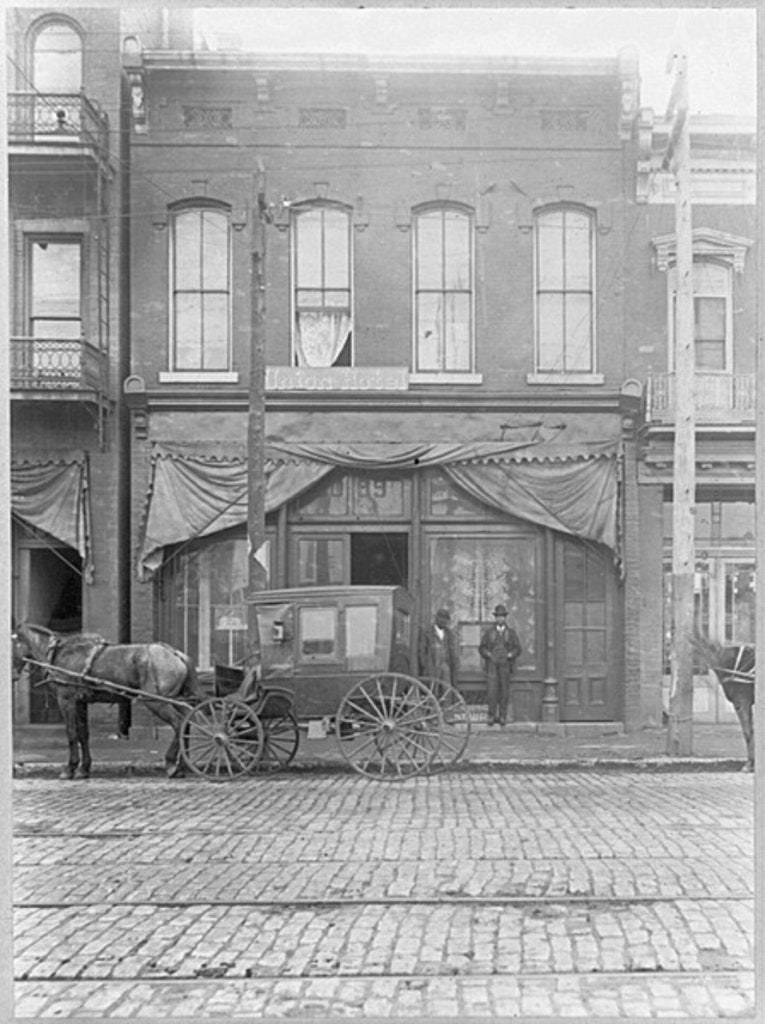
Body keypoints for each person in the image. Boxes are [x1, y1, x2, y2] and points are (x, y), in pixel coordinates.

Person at [479, 603, 522, 726]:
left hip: (505, 666)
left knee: (504, 691)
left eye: (502, 616)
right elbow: (481, 648)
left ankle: (502, 716)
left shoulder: (511, 633)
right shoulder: (489, 633)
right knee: (492, 691)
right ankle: (491, 716)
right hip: (492, 666)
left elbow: (518, 649)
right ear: (495, 618)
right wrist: (488, 654)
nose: (500, 619)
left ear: (505, 618)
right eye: (498, 616)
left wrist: (510, 655)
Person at [418, 608, 459, 685]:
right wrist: (425, 666)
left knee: (446, 688)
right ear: (436, 618)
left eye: (446, 619)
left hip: (445, 666)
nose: (443, 621)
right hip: (431, 666)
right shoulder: (427, 632)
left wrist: (454, 664)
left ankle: (447, 697)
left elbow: (453, 651)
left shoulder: (449, 634)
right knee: (432, 689)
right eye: (441, 618)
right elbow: (422, 650)